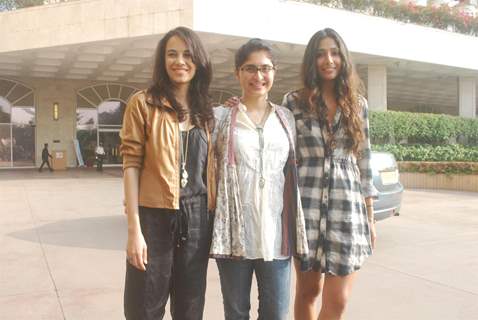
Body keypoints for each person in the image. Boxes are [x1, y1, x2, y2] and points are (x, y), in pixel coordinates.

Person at [282, 28, 378, 320]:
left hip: (347, 208)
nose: (328, 59)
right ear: (312, 60)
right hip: (306, 208)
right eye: (321, 53)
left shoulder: (357, 104)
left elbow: (364, 158)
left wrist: (370, 216)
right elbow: (284, 158)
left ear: (343, 58)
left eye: (334, 52)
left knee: (338, 300)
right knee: (308, 292)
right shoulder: (294, 102)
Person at [120, 26, 216, 320]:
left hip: (197, 218)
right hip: (154, 216)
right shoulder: (143, 103)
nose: (180, 61)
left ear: (198, 61)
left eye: (187, 55)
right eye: (172, 54)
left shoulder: (206, 110)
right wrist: (135, 230)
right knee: (144, 306)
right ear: (162, 60)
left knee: (190, 308)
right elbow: (131, 165)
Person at [210, 38, 308, 320]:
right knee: (236, 312)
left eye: (265, 68)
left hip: (276, 234)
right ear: (237, 73)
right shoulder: (221, 117)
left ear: (274, 72)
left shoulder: (286, 118)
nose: (258, 76)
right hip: (235, 236)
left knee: (276, 313)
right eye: (250, 69)